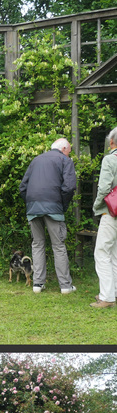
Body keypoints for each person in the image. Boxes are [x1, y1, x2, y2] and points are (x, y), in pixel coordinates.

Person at [19, 137, 77, 294]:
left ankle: (37, 284)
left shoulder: (36, 160)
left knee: (37, 244)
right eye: (69, 152)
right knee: (58, 246)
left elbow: (23, 187)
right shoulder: (65, 161)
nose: (69, 155)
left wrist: (31, 203)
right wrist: (62, 206)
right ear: (64, 149)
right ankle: (65, 286)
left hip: (33, 208)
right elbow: (69, 187)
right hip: (54, 208)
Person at [90, 127, 117, 308]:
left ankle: (107, 297)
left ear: (111, 142)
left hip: (112, 212)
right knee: (114, 254)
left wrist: (97, 205)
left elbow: (104, 187)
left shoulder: (110, 159)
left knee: (101, 252)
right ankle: (112, 292)